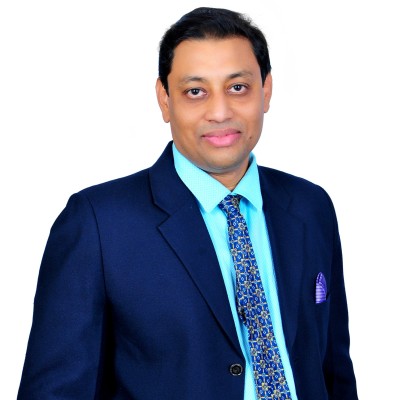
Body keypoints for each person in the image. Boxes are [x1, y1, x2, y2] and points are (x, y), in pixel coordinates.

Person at [18, 7, 358, 400]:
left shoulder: (311, 207)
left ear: (266, 90)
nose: (220, 112)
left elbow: (335, 371)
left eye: (238, 87)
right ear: (164, 100)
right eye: (195, 91)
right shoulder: (98, 225)